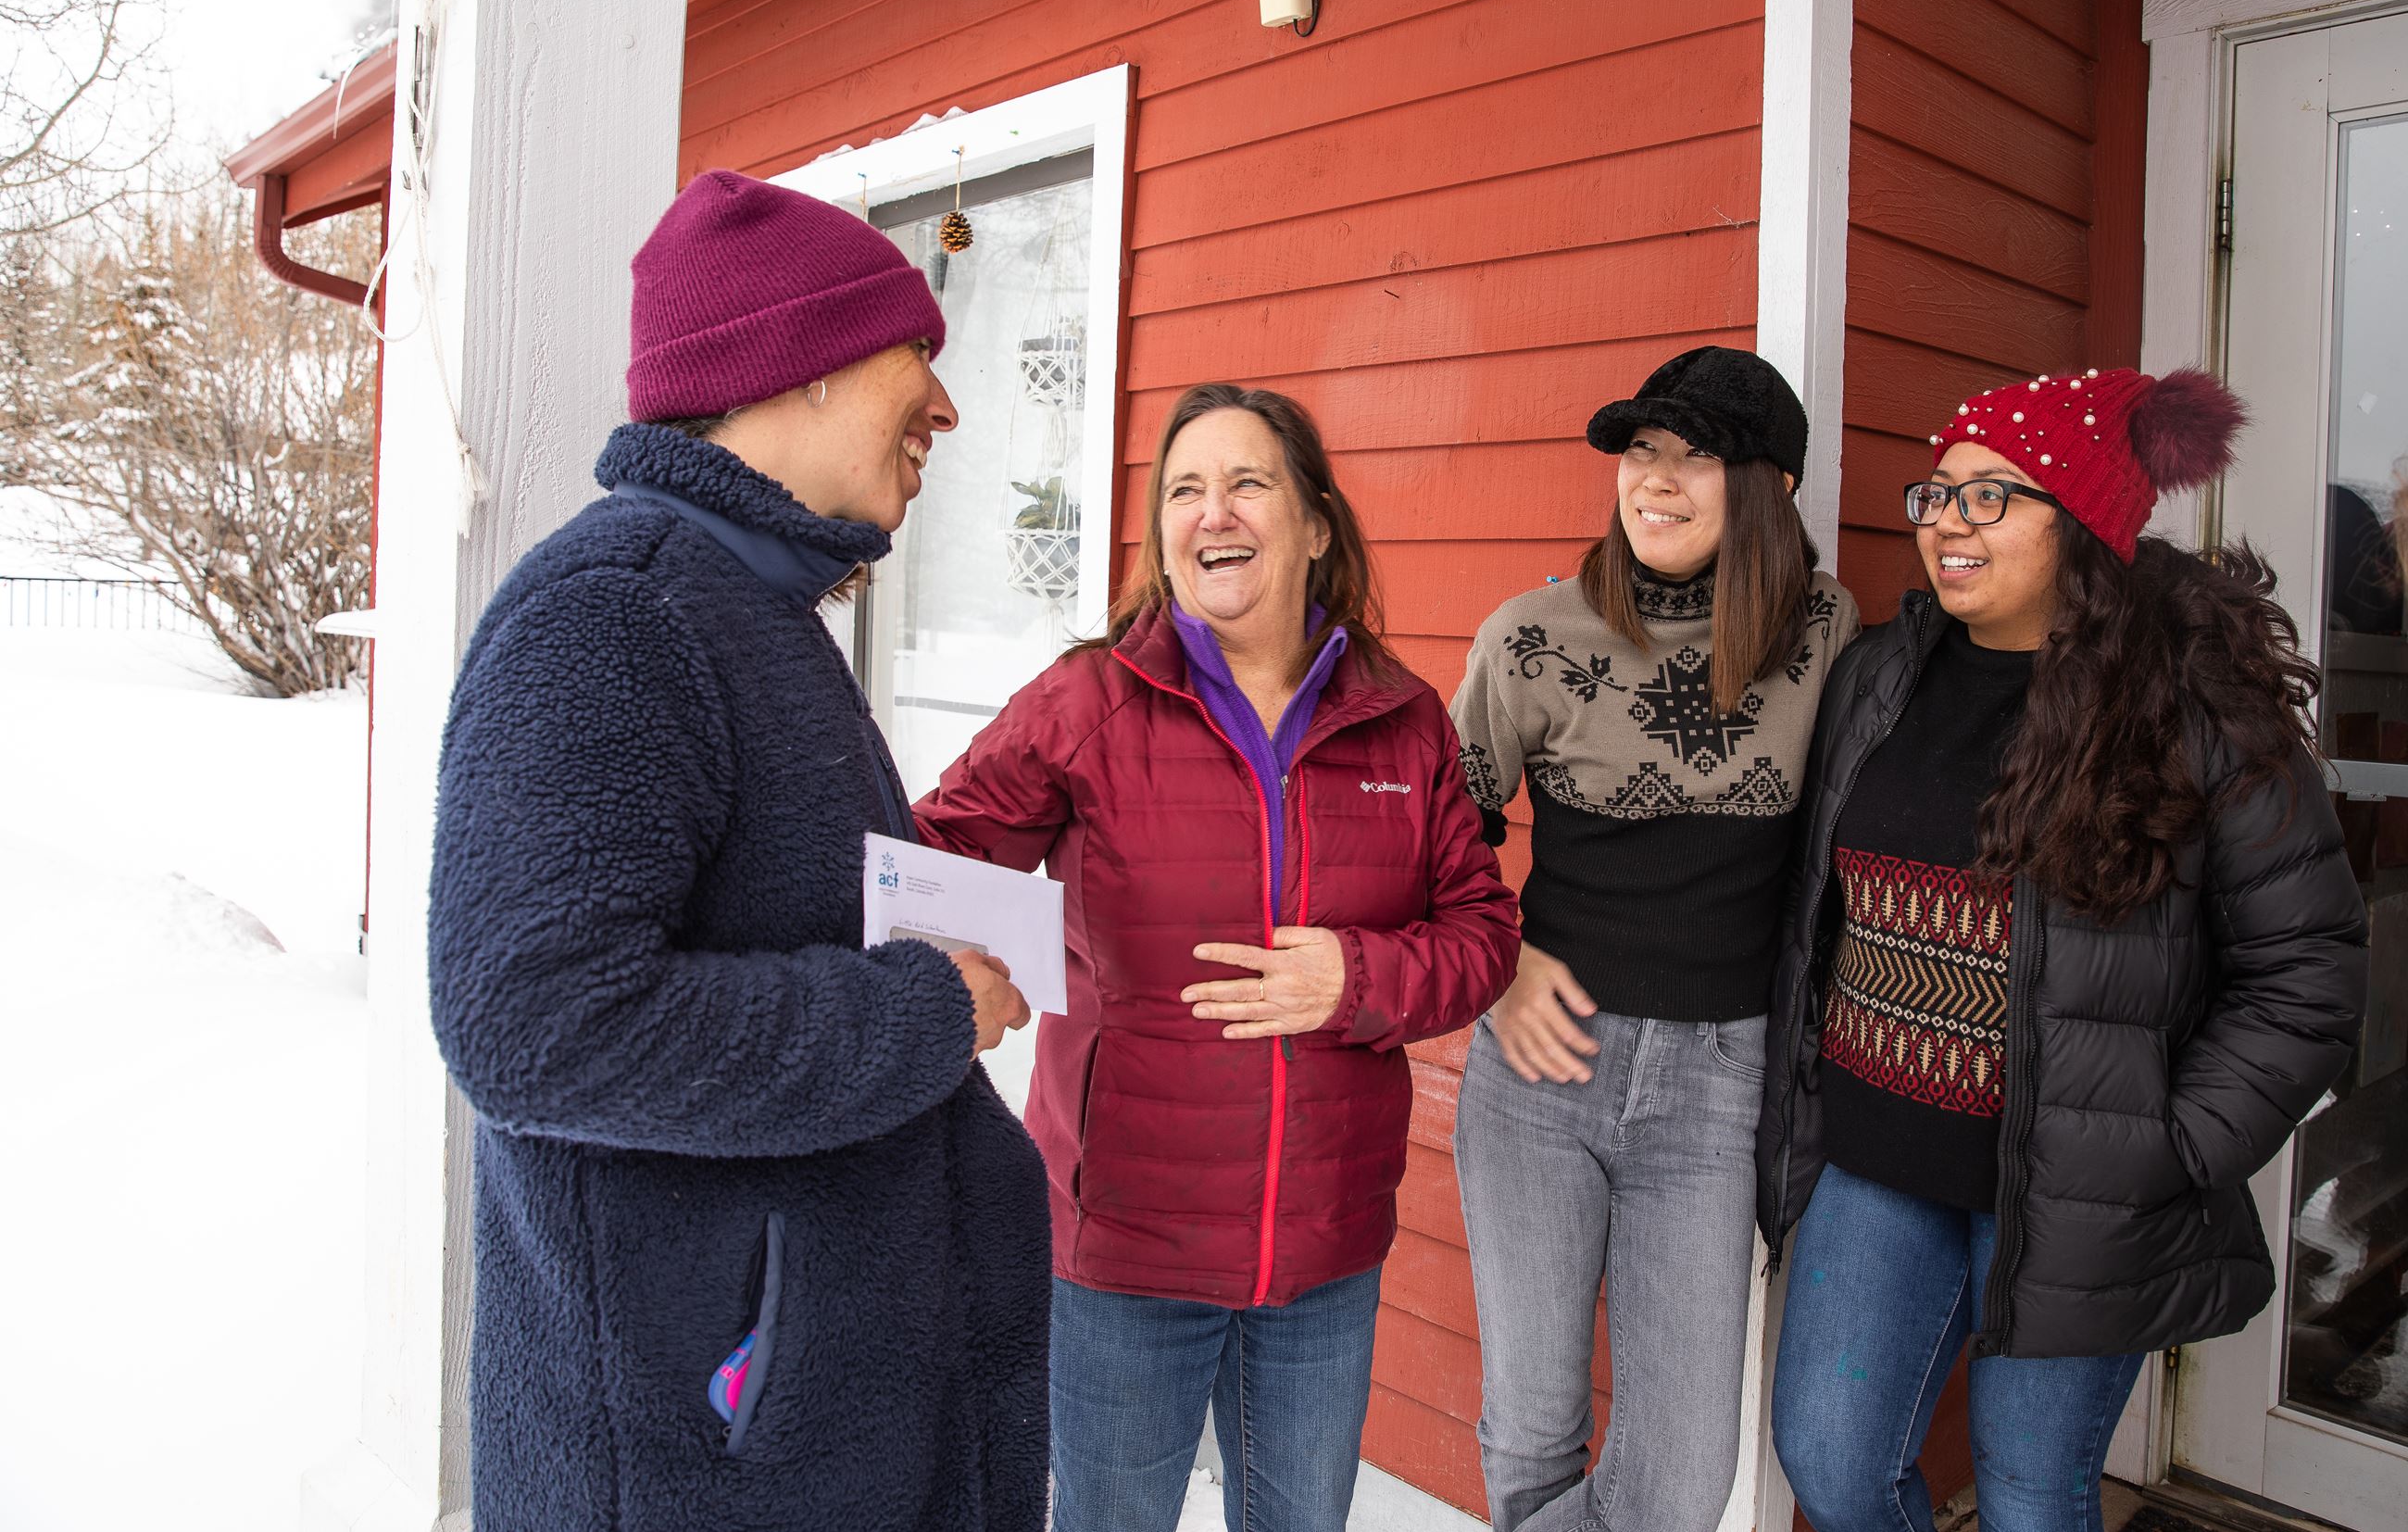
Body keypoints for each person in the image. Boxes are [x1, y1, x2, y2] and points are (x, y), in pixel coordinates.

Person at [427, 170, 1048, 1532]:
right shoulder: (614, 617)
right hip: (706, 1464)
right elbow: (534, 1024)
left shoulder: (750, 617)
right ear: (804, 369)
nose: (943, 408)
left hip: (814, 1443)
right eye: (914, 361)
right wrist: (925, 1006)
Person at [1758, 368, 2368, 1532]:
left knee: (2035, 1497)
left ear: (2081, 520)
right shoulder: (1878, 675)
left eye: (1992, 495)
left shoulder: (2195, 705)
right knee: (1831, 1464)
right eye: (1937, 492)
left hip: (2080, 1186)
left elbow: (2308, 971)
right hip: (1880, 1157)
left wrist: (2171, 1144)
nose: (1946, 519)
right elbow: (1814, 908)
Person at [912, 383, 1521, 1532]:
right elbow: (928, 856)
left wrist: (1354, 977)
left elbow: (1481, 932)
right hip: (1126, 1243)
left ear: (1315, 526)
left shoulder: (1401, 720)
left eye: (1247, 482)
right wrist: (964, 970)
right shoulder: (1088, 701)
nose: (1212, 512)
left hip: (1323, 1250)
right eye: (1183, 489)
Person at [1449, 345, 1859, 1532]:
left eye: (1696, 456)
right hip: (1538, 1068)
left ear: (1771, 487)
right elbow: (1438, 846)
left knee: (1680, 1479)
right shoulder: (1530, 638)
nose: (1656, 479)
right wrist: (1506, 965)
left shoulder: (1821, 634)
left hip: (1719, 1080)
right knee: (1532, 1426)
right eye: (1641, 451)